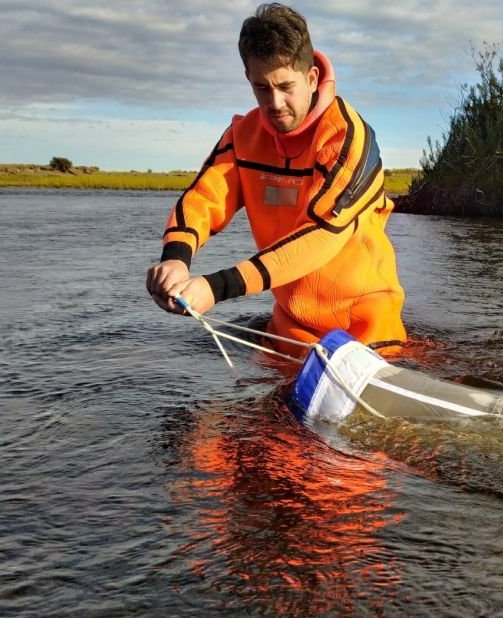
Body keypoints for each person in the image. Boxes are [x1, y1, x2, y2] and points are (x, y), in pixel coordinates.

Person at [146, 3, 407, 357]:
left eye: (286, 87)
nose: (275, 103)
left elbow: (320, 236)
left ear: (312, 78)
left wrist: (217, 287)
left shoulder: (347, 137)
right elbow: (205, 198)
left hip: (365, 330)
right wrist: (176, 256)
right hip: (288, 327)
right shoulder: (242, 136)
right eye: (261, 88)